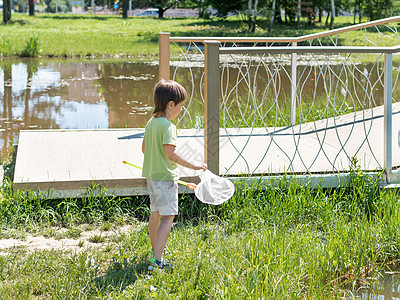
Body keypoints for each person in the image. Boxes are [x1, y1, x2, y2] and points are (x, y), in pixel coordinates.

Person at [142, 79, 207, 271]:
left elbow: (144, 149)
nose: (181, 110)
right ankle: (156, 260)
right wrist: (194, 165)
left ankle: (156, 250)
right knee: (168, 218)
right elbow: (171, 154)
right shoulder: (168, 127)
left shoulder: (151, 123)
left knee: (155, 214)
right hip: (165, 178)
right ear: (171, 104)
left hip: (151, 177)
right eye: (180, 106)